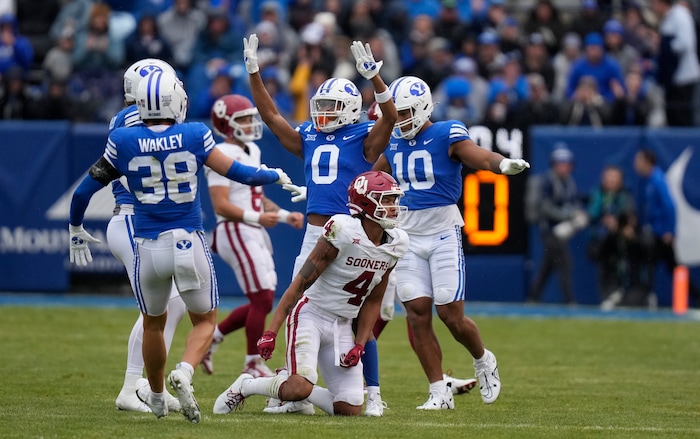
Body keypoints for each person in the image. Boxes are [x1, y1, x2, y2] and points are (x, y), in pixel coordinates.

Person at [68, 69, 291, 423]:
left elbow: (83, 191)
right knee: (204, 321)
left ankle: (156, 396)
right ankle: (185, 370)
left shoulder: (123, 140)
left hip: (147, 247)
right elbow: (241, 174)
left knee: (153, 324)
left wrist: (75, 225)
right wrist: (274, 175)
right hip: (188, 240)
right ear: (176, 100)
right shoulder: (194, 133)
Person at [241, 33, 397, 417]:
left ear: (349, 109)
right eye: (320, 104)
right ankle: (289, 385)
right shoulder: (310, 134)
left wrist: (375, 78)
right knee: (298, 306)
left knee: (363, 309)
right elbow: (272, 117)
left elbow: (391, 117)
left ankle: (369, 391)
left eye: (331, 106)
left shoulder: (364, 136)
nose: (322, 112)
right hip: (317, 234)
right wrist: (254, 72)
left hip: (355, 235)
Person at [372, 75, 530, 409]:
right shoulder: (393, 141)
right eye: (395, 114)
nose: (399, 120)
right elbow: (371, 176)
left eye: (405, 113)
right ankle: (438, 391)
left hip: (443, 232)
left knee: (450, 314)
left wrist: (501, 164)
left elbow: (477, 156)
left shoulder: (446, 132)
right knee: (416, 314)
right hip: (407, 236)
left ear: (423, 106)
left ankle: (483, 358)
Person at [212, 171, 409, 417]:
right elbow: (301, 282)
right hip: (312, 315)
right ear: (366, 203)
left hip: (343, 324)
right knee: (298, 386)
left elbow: (374, 299)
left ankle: (296, 388)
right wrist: (271, 331)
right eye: (387, 200)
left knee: (350, 407)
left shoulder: (396, 242)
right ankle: (247, 385)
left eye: (394, 200)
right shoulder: (343, 230)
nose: (393, 207)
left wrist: (359, 344)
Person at [200, 94, 305, 378]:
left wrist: (283, 215)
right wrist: (259, 219)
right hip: (235, 229)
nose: (251, 123)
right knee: (261, 298)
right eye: (243, 119)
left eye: (250, 117)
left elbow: (254, 198)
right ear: (227, 124)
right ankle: (253, 363)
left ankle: (214, 339)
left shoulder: (251, 151)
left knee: (263, 298)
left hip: (250, 229)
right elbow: (221, 206)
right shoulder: (222, 153)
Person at [106, 58, 188, 414]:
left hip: (143, 220)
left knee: (176, 302)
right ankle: (131, 386)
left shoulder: (131, 117)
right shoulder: (133, 120)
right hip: (133, 219)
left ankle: (149, 382)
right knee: (156, 308)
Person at [633, 148, 700, 306]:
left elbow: (669, 206)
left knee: (658, 265)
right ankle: (645, 296)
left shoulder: (657, 179)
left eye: (638, 160)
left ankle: (644, 297)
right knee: (664, 265)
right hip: (657, 231)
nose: (635, 164)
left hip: (660, 233)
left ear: (647, 161)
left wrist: (669, 230)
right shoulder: (649, 180)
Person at [526, 146, 588, 304]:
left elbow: (573, 203)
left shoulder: (569, 182)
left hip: (561, 230)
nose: (564, 167)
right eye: (561, 163)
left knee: (547, 266)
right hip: (549, 231)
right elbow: (545, 207)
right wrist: (568, 216)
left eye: (566, 163)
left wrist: (577, 214)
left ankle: (533, 297)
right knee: (565, 263)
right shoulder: (547, 181)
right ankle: (569, 301)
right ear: (554, 164)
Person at [586, 165, 637, 306]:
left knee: (623, 265)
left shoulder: (624, 196)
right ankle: (608, 296)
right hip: (601, 243)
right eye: (608, 178)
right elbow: (592, 214)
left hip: (621, 243)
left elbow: (629, 216)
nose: (611, 181)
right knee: (604, 268)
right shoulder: (598, 193)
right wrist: (605, 220)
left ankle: (624, 294)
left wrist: (618, 224)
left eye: (614, 178)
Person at [651, 0, 700, 126]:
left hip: (685, 77)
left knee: (682, 117)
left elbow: (686, 43)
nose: (652, 6)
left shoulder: (681, 15)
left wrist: (665, 45)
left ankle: (686, 145)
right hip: (672, 78)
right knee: (672, 116)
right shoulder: (668, 17)